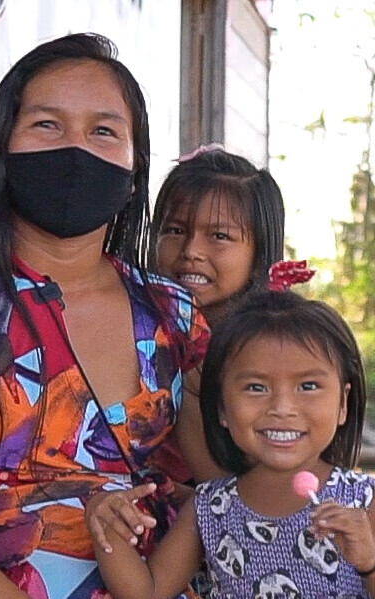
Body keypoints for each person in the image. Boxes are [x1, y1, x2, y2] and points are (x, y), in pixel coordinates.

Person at [0, 33, 209, 599]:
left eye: (103, 131)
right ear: (1, 150)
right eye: (46, 125)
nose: (75, 151)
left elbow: (234, 481)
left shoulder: (171, 312)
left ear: (133, 162)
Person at [85, 265, 375, 599]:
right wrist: (105, 524)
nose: (282, 408)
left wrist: (372, 563)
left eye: (308, 385)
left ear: (343, 403)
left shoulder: (361, 502)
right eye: (255, 388)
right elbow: (147, 590)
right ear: (222, 407)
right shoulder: (210, 508)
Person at [150, 144, 288, 483]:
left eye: (219, 236)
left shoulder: (276, 345)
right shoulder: (135, 326)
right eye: (175, 230)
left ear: (259, 250)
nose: (191, 251)